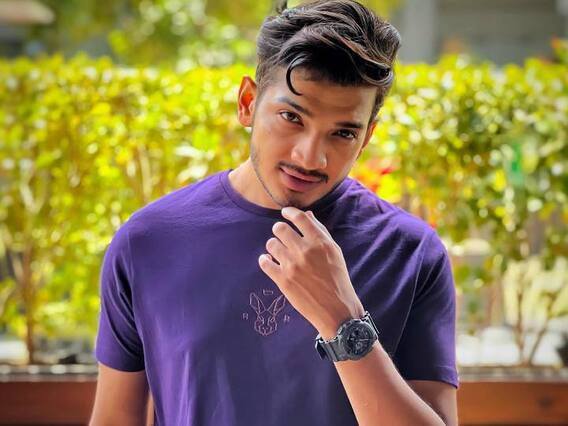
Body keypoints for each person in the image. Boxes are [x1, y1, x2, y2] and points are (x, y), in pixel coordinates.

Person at [89, 0, 459, 424]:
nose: (310, 157)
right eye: (291, 117)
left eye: (343, 133)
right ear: (247, 102)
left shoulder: (410, 253)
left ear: (367, 137)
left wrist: (343, 321)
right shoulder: (148, 242)